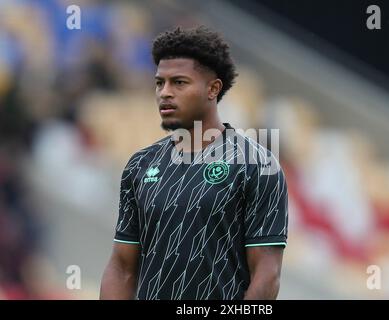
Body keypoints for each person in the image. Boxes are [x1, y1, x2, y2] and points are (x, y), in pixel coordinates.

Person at [100, 26, 288, 300]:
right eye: (159, 83)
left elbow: (267, 274)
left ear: (213, 89)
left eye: (179, 82)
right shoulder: (140, 165)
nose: (164, 93)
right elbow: (122, 266)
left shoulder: (257, 165)